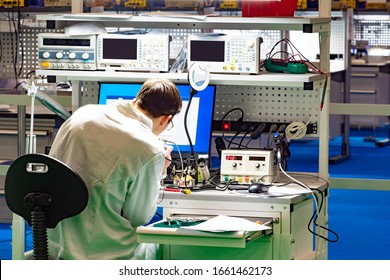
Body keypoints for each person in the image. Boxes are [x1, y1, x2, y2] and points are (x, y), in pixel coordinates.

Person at [47, 79, 182, 260]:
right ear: (166, 119)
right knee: (168, 245)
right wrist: (159, 169)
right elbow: (138, 217)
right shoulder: (150, 149)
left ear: (138, 100)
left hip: (55, 245)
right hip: (107, 253)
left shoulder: (85, 113)